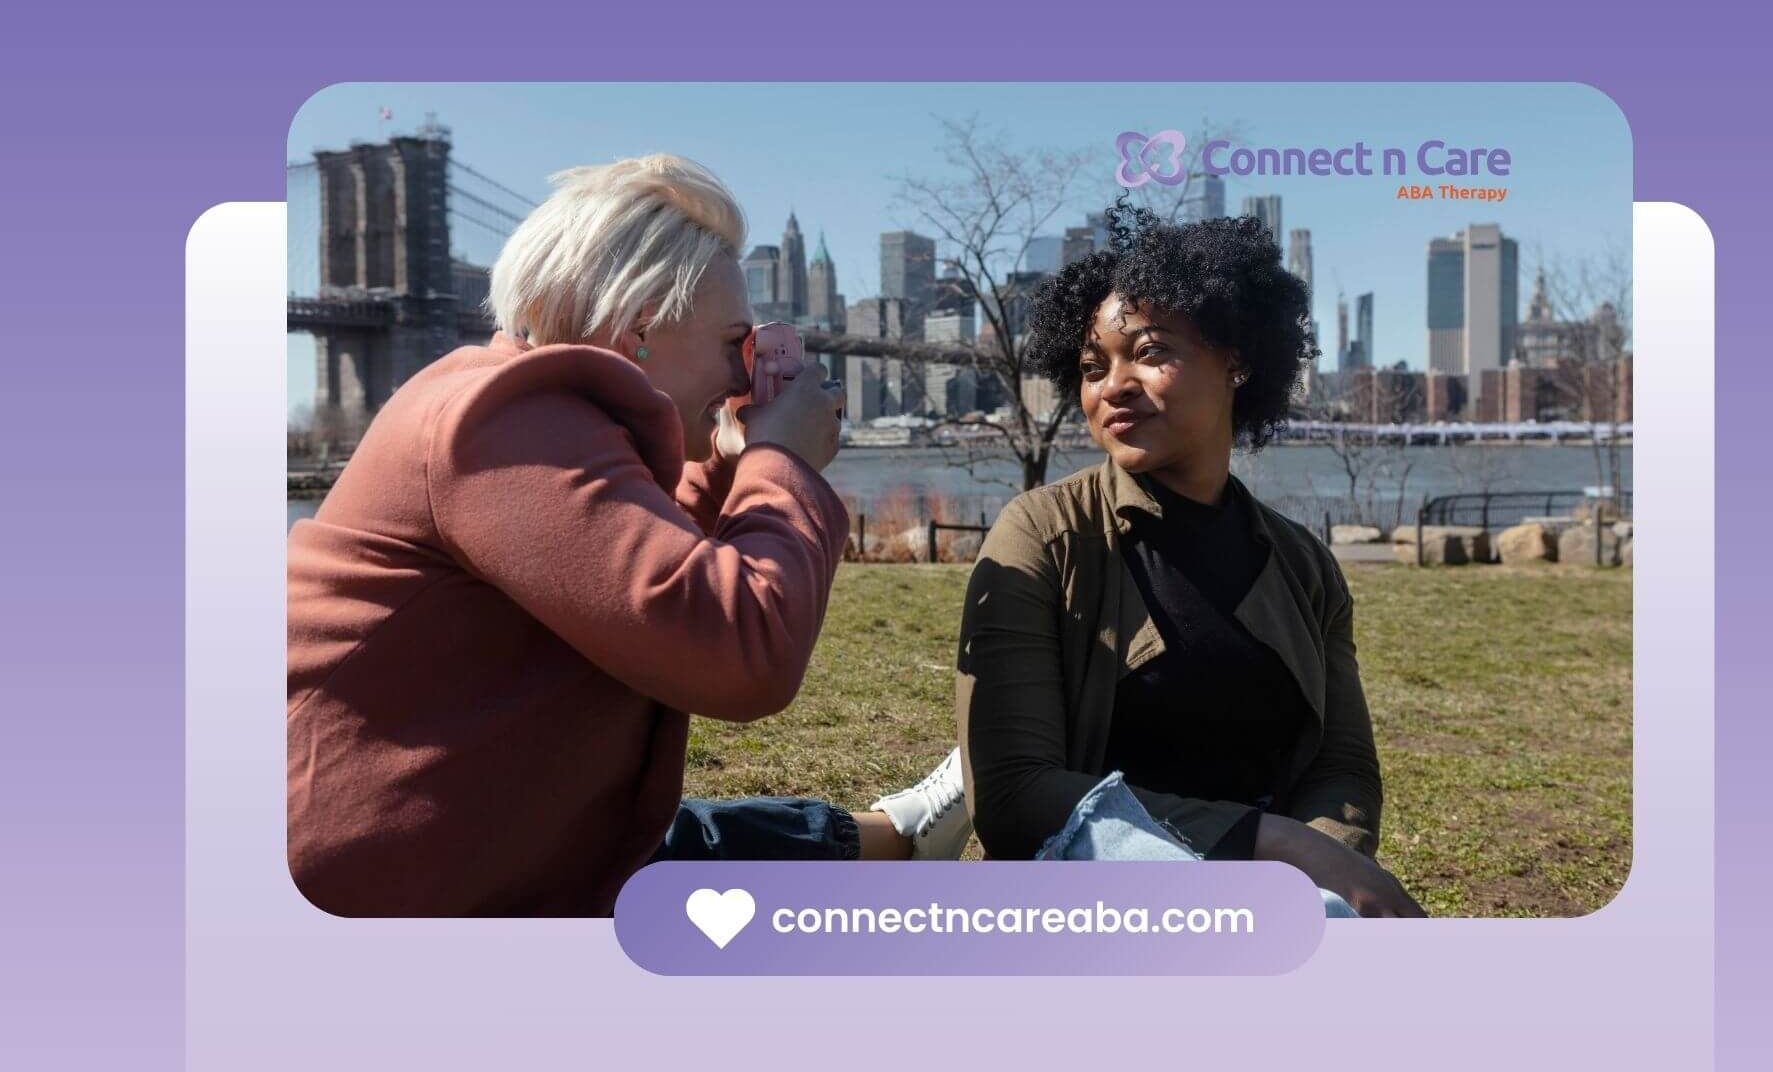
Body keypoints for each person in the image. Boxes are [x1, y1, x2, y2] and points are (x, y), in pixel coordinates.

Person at [287, 155, 963, 918]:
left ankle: (894, 837)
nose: (745, 380)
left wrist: (733, 461)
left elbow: (647, 570)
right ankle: (899, 840)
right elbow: (741, 652)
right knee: (675, 860)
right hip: (376, 896)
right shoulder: (501, 421)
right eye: (733, 345)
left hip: (463, 851)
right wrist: (783, 462)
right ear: (638, 326)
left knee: (675, 845)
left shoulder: (525, 409)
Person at [953, 198, 1425, 918]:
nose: (1111, 386)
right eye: (1090, 366)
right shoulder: (1043, 535)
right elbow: (1017, 796)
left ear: (1236, 361)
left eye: (1149, 352)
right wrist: (1275, 846)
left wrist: (1325, 875)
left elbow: (1342, 765)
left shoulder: (1305, 566)